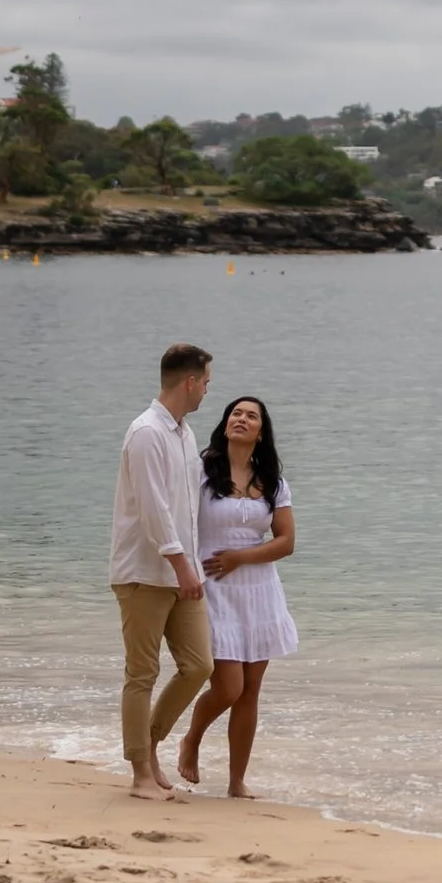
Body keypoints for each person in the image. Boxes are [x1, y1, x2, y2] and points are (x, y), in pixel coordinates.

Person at [176, 392, 298, 799]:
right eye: (235, 413)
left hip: (259, 590)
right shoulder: (200, 469)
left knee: (250, 691)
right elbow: (176, 518)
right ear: (226, 422)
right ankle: (192, 738)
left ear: (261, 432)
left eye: (251, 416)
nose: (241, 419)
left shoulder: (274, 482)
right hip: (212, 585)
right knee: (228, 687)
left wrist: (241, 557)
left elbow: (285, 542)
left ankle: (236, 781)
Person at [110, 340, 213, 803]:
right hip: (144, 572)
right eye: (206, 383)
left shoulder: (185, 433)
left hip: (181, 573)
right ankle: (140, 775)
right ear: (190, 382)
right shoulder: (147, 432)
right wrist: (181, 563)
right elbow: (154, 511)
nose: (207, 391)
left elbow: (186, 507)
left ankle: (151, 742)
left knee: (198, 666)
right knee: (142, 673)